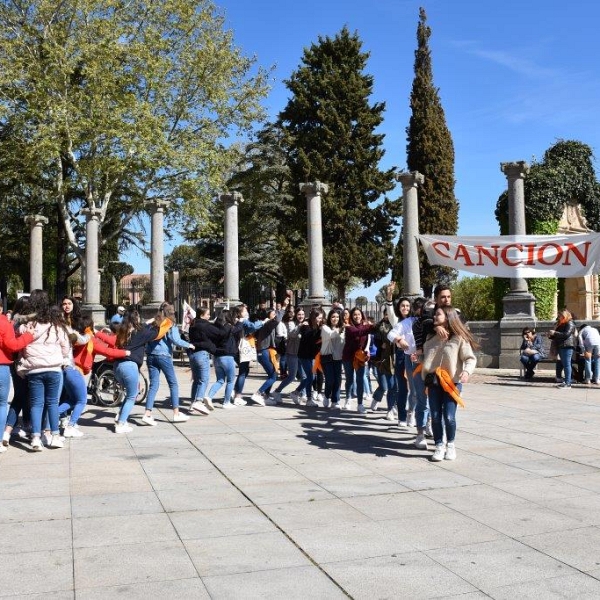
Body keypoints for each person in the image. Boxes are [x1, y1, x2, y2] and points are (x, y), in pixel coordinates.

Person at [422, 306, 477, 462]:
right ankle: (439, 445)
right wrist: (418, 359)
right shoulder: (431, 338)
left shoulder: (459, 338)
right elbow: (426, 358)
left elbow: (470, 358)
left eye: (438, 314)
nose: (434, 317)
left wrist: (466, 372)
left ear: (447, 317)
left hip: (452, 383)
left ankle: (450, 445)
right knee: (435, 416)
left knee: (449, 416)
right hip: (433, 382)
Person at [18, 290, 71, 450]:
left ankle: (35, 437)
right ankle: (54, 435)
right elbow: (65, 346)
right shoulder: (55, 324)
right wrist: (59, 357)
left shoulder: (26, 326)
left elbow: (21, 342)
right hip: (54, 367)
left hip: (34, 368)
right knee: (53, 402)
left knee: (36, 403)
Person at [98, 309, 166, 433]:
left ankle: (120, 417)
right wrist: (163, 321)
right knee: (132, 396)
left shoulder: (122, 331)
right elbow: (155, 333)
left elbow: (143, 326)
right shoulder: (140, 333)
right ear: (136, 319)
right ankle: (121, 424)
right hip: (130, 366)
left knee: (129, 394)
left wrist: (151, 320)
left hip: (117, 366)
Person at [142, 302, 194, 425]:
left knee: (153, 385)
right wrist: (189, 345)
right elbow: (175, 340)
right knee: (173, 384)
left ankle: (147, 414)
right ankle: (176, 413)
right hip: (164, 356)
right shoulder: (170, 324)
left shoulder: (154, 322)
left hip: (150, 355)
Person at [0, 303, 33, 452]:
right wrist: (28, 336)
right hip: (2, 366)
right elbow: (12, 345)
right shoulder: (4, 323)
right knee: (1, 404)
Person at [188, 308, 220, 415]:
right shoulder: (205, 325)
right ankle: (198, 401)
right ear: (202, 315)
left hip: (193, 354)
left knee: (196, 380)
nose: (209, 316)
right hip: (202, 354)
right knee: (204, 379)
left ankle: (192, 403)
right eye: (207, 314)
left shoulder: (193, 325)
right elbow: (218, 333)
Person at [296, 308, 324, 407]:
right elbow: (309, 338)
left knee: (311, 376)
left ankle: (296, 392)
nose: (320, 319)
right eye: (319, 317)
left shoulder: (318, 326)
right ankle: (308, 399)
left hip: (312, 355)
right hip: (303, 355)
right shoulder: (306, 326)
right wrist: (319, 332)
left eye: (321, 318)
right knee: (310, 376)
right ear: (314, 317)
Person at [320, 308, 345, 409]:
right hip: (327, 357)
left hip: (338, 358)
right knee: (330, 379)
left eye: (337, 317)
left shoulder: (343, 329)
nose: (335, 319)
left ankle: (335, 401)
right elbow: (331, 335)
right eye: (333, 316)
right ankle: (326, 396)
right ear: (329, 318)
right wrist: (341, 329)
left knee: (337, 380)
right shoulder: (325, 328)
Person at [549, 309, 577, 389]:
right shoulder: (562, 324)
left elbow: (566, 334)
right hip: (562, 345)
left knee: (567, 365)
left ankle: (568, 383)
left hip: (567, 346)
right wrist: (551, 335)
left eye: (560, 316)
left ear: (565, 316)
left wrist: (555, 333)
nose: (559, 317)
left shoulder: (570, 323)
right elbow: (559, 335)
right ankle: (567, 382)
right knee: (565, 365)